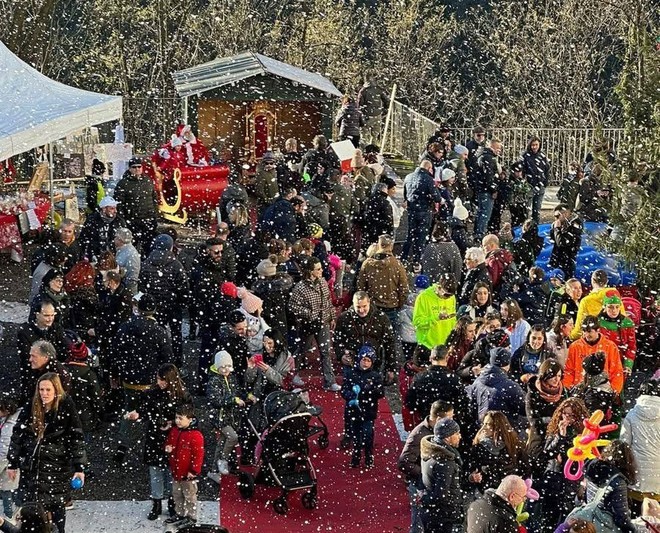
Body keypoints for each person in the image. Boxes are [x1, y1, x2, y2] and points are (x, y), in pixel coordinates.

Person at [7, 373, 86, 533]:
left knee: (56, 508)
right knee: (32, 510)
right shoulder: (32, 406)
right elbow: (18, 435)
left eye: (48, 389)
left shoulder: (66, 406)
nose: (44, 393)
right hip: (33, 465)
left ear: (56, 390)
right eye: (41, 389)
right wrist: (13, 462)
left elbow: (76, 437)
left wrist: (79, 467)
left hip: (57, 466)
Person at [122, 363, 192, 520]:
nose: (159, 382)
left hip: (174, 438)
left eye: (162, 380)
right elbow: (144, 410)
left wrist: (172, 423)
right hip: (156, 436)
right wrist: (138, 414)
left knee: (170, 472)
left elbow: (190, 418)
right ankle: (158, 503)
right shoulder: (153, 393)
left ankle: (172, 502)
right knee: (156, 471)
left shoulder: (183, 396)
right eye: (159, 379)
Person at [111, 293, 173, 463]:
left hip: (129, 380)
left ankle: (122, 447)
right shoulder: (159, 332)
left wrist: (115, 373)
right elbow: (167, 358)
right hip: (151, 381)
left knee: (128, 411)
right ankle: (153, 448)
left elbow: (116, 352)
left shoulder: (125, 327)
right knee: (153, 413)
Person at [398, 400, 453, 533]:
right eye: (450, 417)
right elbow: (404, 462)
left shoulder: (436, 431)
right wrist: (425, 474)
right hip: (420, 486)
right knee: (418, 525)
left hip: (430, 486)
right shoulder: (419, 434)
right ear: (439, 418)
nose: (453, 420)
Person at [537, 397, 590, 532]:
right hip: (553, 479)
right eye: (564, 413)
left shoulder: (583, 434)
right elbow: (547, 452)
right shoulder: (555, 428)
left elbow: (582, 455)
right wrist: (561, 437)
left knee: (568, 517)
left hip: (571, 481)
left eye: (571, 415)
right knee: (548, 518)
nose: (567, 417)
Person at [287, 256, 339, 391]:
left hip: (323, 322)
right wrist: (310, 314)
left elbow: (328, 301)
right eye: (318, 269)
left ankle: (329, 381)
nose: (322, 271)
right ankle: (294, 375)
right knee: (302, 350)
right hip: (308, 324)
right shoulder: (300, 288)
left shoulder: (322, 282)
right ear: (310, 271)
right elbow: (293, 306)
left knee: (325, 351)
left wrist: (332, 316)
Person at [139, 233, 189, 368]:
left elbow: (141, 286)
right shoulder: (176, 265)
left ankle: (158, 359)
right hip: (172, 305)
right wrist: (181, 302)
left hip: (154, 306)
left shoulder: (146, 264)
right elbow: (184, 287)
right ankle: (176, 363)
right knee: (176, 334)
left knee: (156, 334)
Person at [467, 347, 527, 437]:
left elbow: (471, 406)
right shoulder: (510, 386)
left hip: (482, 430)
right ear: (507, 365)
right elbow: (525, 409)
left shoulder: (477, 381)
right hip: (506, 433)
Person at [620, 380, 660, 512]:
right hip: (658, 478)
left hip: (637, 475)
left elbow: (624, 445)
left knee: (638, 518)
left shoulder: (632, 415)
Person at [341, 345, 384, 469]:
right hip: (354, 411)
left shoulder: (375, 376)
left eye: (368, 361)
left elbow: (380, 393)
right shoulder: (351, 374)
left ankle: (369, 456)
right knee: (356, 435)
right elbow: (344, 390)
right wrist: (351, 396)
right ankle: (356, 455)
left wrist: (371, 390)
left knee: (368, 434)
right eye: (364, 360)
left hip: (368, 411)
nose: (365, 363)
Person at [580, 440, 637, 533]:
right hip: (603, 526)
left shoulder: (593, 469)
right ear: (627, 460)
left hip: (587, 522)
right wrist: (633, 530)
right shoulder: (618, 481)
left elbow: (580, 498)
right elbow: (622, 517)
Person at [419, 418, 464, 532]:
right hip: (444, 518)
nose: (460, 436)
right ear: (447, 437)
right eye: (457, 433)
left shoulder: (431, 451)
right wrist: (425, 499)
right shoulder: (445, 462)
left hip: (434, 515)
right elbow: (440, 496)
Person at [164, 403, 205, 529]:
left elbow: (198, 455)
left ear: (190, 419)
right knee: (177, 494)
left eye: (180, 418)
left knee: (190, 496)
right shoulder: (175, 431)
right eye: (176, 418)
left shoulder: (196, 435)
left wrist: (193, 471)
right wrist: (168, 447)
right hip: (176, 471)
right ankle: (180, 513)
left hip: (188, 474)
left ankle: (191, 517)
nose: (177, 421)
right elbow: (169, 442)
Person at [467, 411, 528, 493]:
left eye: (488, 424)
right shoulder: (479, 447)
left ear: (498, 427)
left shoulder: (514, 444)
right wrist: (472, 477)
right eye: (484, 424)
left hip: (510, 492)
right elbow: (469, 470)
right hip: (487, 493)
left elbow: (526, 469)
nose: (484, 428)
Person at [206, 351, 245, 480]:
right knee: (232, 437)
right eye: (223, 367)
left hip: (229, 416)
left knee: (222, 442)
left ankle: (214, 470)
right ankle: (223, 460)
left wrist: (247, 396)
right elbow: (216, 400)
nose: (226, 369)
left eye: (228, 366)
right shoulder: (214, 381)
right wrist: (233, 400)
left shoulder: (231, 378)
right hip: (220, 417)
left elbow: (238, 391)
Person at [357, 234, 408, 329]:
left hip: (372, 306)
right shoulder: (397, 265)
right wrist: (399, 304)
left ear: (379, 245)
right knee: (390, 339)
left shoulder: (367, 264)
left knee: (373, 337)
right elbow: (404, 289)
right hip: (391, 307)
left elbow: (361, 286)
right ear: (391, 246)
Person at [525, 359, 567, 472]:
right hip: (539, 437)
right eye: (553, 376)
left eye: (559, 376)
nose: (556, 379)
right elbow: (533, 420)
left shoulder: (563, 391)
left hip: (559, 435)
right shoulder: (533, 394)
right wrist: (553, 420)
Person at [563, 315, 624, 393]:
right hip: (579, 391)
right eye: (584, 331)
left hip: (603, 390)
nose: (586, 334)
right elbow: (569, 370)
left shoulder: (610, 346)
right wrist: (568, 388)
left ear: (598, 330)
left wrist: (614, 390)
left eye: (589, 331)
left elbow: (617, 372)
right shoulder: (575, 346)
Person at [113, 157, 158, 255]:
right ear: (130, 168)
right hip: (133, 220)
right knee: (131, 247)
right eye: (134, 167)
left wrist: (155, 214)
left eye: (139, 166)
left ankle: (146, 264)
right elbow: (118, 204)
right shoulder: (123, 184)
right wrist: (123, 220)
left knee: (149, 246)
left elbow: (154, 198)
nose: (137, 169)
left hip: (148, 219)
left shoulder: (147, 180)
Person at [402, 160, 441, 265]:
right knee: (421, 237)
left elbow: (405, 195)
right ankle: (417, 260)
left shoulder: (408, 177)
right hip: (424, 211)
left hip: (411, 210)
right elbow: (437, 197)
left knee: (410, 235)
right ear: (429, 168)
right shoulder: (428, 179)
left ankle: (403, 257)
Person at [570, 269, 626, 339]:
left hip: (594, 342)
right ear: (607, 281)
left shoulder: (585, 301)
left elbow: (579, 331)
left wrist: (570, 335)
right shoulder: (615, 296)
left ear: (592, 281)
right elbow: (623, 320)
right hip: (616, 341)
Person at [412, 275, 458, 352]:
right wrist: (436, 318)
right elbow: (417, 322)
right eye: (446, 295)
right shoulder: (423, 297)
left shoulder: (451, 298)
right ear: (439, 287)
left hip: (445, 346)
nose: (448, 298)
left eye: (451, 295)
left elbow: (452, 321)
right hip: (428, 346)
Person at [21, 341, 71, 407]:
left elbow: (61, 399)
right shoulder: (35, 369)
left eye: (33, 356)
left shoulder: (58, 373)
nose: (30, 359)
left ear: (46, 358)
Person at [598, 289, 636, 375]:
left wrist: (628, 365)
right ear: (605, 307)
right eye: (610, 307)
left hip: (620, 366)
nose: (614, 310)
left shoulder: (627, 323)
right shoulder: (597, 323)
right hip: (601, 366)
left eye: (617, 307)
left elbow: (631, 347)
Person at [472, 138, 503, 241]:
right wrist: (493, 189)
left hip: (482, 189)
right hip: (486, 190)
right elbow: (489, 176)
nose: (499, 150)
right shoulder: (488, 158)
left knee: (481, 212)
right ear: (492, 147)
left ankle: (478, 233)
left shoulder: (483, 156)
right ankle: (480, 234)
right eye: (497, 148)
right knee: (485, 213)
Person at [78, 196, 126, 262]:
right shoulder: (92, 220)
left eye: (115, 208)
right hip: (95, 254)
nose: (115, 211)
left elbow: (124, 240)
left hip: (113, 256)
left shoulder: (119, 221)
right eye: (112, 208)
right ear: (104, 209)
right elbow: (84, 238)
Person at [548, 204, 583, 278]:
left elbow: (562, 243)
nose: (556, 219)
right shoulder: (560, 223)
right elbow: (553, 239)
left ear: (565, 214)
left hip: (567, 262)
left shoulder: (575, 225)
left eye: (557, 216)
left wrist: (557, 229)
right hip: (557, 259)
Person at [0, 395, 21, 519]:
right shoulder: (6, 420)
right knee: (7, 490)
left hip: (7, 464)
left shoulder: (9, 426)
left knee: (7, 491)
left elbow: (5, 448)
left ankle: (10, 515)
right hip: (8, 463)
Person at [523, 136, 551, 224]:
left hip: (540, 185)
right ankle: (525, 226)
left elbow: (547, 169)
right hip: (529, 185)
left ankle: (535, 226)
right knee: (526, 209)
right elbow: (522, 170)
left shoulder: (542, 156)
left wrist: (545, 182)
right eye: (532, 145)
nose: (534, 147)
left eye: (536, 145)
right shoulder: (525, 156)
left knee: (537, 209)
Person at [360, 182, 394, 251]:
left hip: (367, 231)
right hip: (380, 232)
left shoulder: (366, 200)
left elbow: (361, 216)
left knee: (368, 250)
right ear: (383, 190)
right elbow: (388, 220)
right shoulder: (385, 202)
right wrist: (390, 233)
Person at [357, 75, 388, 145]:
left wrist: (361, 114)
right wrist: (384, 111)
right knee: (375, 136)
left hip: (367, 115)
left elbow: (359, 104)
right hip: (377, 115)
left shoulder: (363, 90)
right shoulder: (379, 89)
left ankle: (364, 152)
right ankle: (373, 151)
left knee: (364, 135)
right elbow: (386, 100)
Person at [113, 227, 140, 295]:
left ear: (120, 240)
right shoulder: (124, 250)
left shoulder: (129, 253)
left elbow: (132, 277)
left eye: (116, 237)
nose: (114, 239)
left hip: (127, 289)